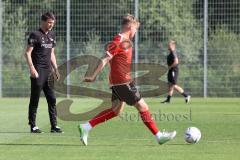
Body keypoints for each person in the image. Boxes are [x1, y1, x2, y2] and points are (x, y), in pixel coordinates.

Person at [78, 14, 176, 146]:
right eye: (135, 29)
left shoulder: (126, 41)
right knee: (143, 106)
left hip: (118, 82)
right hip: (123, 83)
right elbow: (105, 59)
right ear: (130, 26)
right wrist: (93, 76)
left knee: (115, 111)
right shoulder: (119, 40)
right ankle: (159, 136)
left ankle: (86, 127)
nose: (135, 32)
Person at [24, 12, 63, 133]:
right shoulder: (35, 34)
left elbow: (51, 53)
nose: (51, 25)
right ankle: (33, 125)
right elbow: (27, 53)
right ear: (43, 22)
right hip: (38, 71)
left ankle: (54, 126)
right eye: (49, 22)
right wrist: (32, 68)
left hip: (49, 72)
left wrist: (56, 69)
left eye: (53, 23)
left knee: (52, 99)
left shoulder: (52, 35)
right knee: (35, 98)